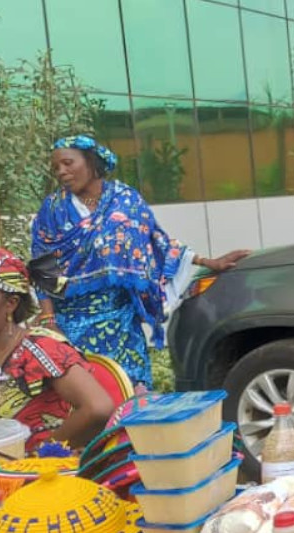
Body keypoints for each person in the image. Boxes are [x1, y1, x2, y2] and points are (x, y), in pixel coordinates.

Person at [31, 135, 249, 388]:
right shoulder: (52, 209)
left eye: (68, 163)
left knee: (131, 392)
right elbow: (42, 266)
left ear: (91, 161)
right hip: (71, 326)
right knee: (85, 399)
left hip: (122, 325)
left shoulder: (126, 200)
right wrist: (49, 320)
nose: (61, 171)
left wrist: (206, 262)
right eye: (56, 167)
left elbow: (156, 241)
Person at [0, 247, 115, 453]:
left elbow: (99, 408)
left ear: (11, 303)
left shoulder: (39, 348)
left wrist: (40, 456)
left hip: (40, 469)